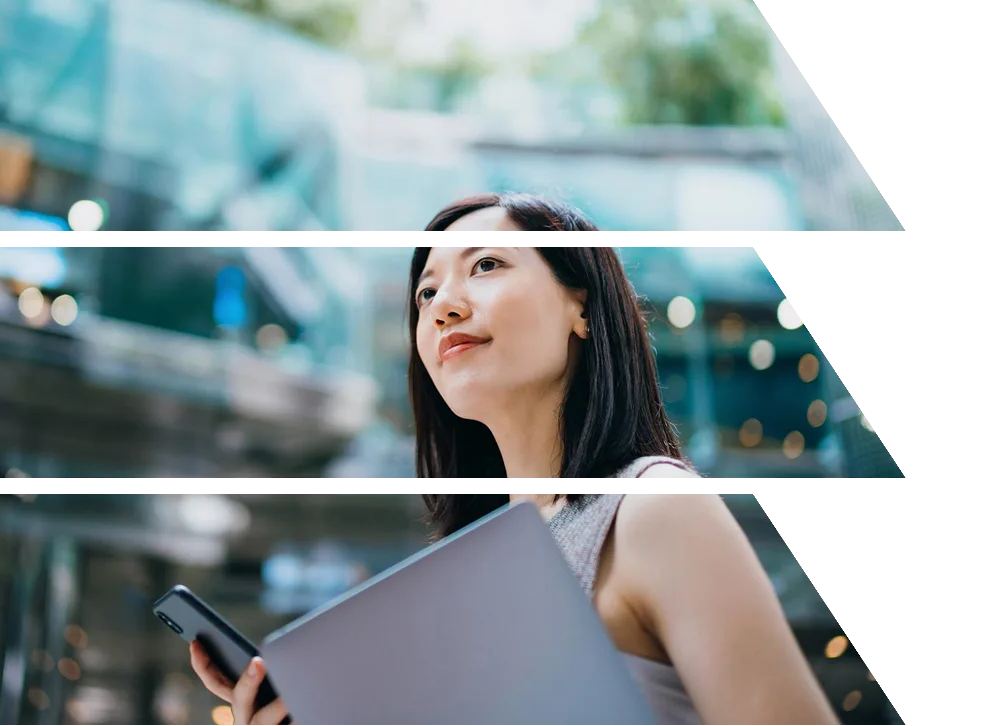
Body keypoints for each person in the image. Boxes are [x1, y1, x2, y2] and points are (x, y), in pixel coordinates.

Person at [188, 194, 838, 726]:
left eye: (488, 265)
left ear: (580, 305)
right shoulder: (467, 572)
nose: (441, 305)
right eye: (425, 294)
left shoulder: (653, 508)